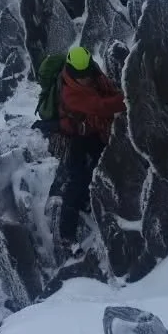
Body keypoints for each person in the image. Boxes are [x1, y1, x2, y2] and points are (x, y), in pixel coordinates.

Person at [35, 45, 126, 251]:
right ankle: (67, 235)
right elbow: (101, 106)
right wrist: (127, 98)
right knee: (77, 179)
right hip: (79, 134)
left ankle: (89, 200)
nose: (86, 78)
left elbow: (106, 90)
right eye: (82, 76)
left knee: (98, 166)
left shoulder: (90, 69)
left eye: (88, 74)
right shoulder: (70, 93)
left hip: (94, 130)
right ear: (73, 72)